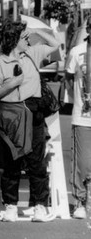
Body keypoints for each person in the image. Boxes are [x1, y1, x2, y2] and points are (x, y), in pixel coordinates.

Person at [0, 21, 59, 222]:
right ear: (13, 40)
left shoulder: (32, 54)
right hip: (11, 114)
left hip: (34, 112)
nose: (28, 40)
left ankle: (39, 206)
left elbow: (55, 45)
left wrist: (37, 31)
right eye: (24, 37)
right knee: (12, 162)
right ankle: (10, 205)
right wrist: (13, 84)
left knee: (36, 162)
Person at [64, 19, 91, 219]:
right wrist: (79, 100)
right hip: (83, 116)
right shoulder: (77, 51)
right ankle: (79, 201)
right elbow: (68, 77)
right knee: (82, 163)